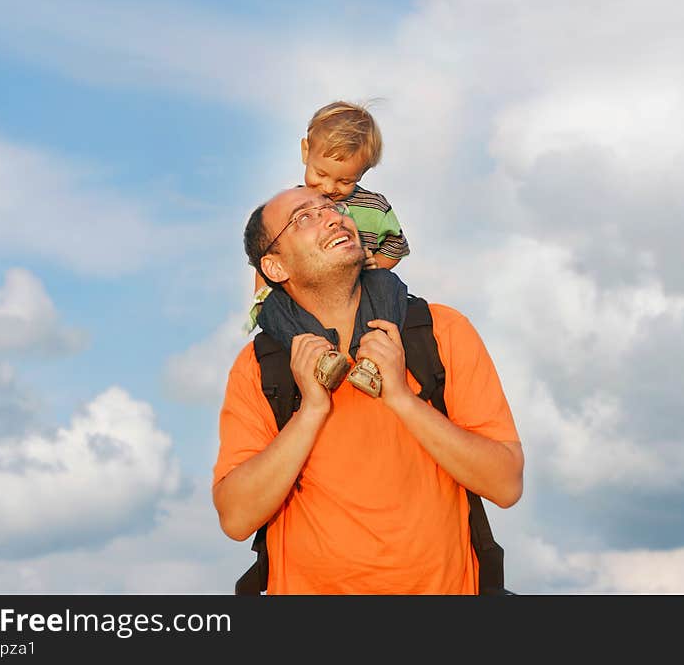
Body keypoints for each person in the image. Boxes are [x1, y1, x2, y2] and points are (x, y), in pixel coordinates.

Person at [213, 185, 524, 594]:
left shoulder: (438, 331)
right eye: (303, 218)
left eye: (332, 207)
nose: (333, 217)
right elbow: (236, 517)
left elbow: (505, 484)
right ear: (274, 267)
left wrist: (401, 397)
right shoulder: (261, 365)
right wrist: (310, 411)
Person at [245, 100, 410, 333]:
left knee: (387, 285)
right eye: (320, 173)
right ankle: (321, 359)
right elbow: (269, 254)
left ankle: (372, 359)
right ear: (306, 152)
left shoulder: (374, 208)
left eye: (345, 181)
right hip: (308, 299)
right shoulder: (292, 208)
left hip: (359, 297)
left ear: (362, 172)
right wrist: (261, 296)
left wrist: (375, 265)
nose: (329, 187)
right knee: (275, 306)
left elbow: (397, 245)